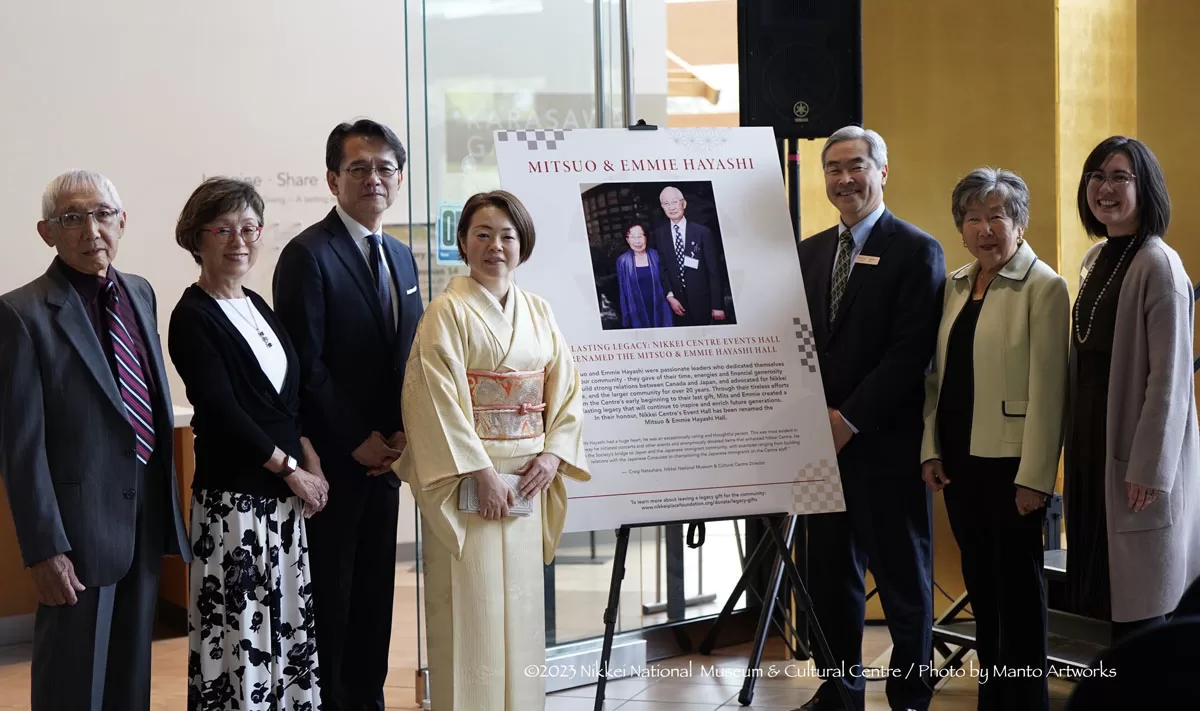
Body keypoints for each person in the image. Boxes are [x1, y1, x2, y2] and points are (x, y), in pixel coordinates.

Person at [0, 170, 190, 711]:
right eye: (71, 218)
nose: (91, 229)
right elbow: (20, 447)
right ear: (47, 232)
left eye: (103, 213)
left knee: (131, 681)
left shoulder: (140, 292)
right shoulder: (21, 313)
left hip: (144, 523)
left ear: (122, 221)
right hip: (76, 536)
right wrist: (44, 550)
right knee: (72, 686)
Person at [395, 190, 589, 710]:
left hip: (528, 475)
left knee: (522, 609)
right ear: (463, 242)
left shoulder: (539, 310)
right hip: (469, 478)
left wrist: (552, 455)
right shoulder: (446, 312)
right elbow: (433, 400)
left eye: (507, 235)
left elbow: (566, 389)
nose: (495, 246)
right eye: (482, 234)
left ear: (522, 244)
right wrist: (479, 473)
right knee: (472, 607)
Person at [272, 118, 424, 711]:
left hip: (388, 461)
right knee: (330, 602)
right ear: (333, 179)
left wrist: (404, 429)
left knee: (374, 602)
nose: (373, 178)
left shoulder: (402, 258)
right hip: (333, 465)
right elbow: (305, 364)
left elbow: (408, 355)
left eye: (385, 167)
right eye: (357, 167)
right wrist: (355, 437)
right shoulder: (307, 254)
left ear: (400, 178)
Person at [793, 126, 945, 711]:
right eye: (833, 168)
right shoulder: (807, 253)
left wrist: (849, 418)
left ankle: (910, 694)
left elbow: (911, 352)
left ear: (883, 172)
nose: (844, 178)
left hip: (884, 446)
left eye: (856, 166)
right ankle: (841, 689)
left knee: (903, 579)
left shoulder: (916, 248)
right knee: (831, 577)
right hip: (819, 450)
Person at [168, 178, 329, 710]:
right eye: (224, 229)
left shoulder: (257, 303)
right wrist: (290, 469)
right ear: (198, 237)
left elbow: (284, 401)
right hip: (235, 506)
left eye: (250, 227)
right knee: (242, 638)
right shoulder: (191, 315)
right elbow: (223, 412)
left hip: (282, 503)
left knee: (284, 633)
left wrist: (311, 461)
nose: (239, 240)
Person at [921, 168, 1068, 711]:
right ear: (960, 227)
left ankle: (1025, 702)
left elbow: (1051, 393)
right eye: (973, 218)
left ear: (1020, 224)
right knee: (982, 587)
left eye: (997, 217)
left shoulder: (1044, 287)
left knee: (1020, 594)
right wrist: (930, 449)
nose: (985, 229)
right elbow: (936, 377)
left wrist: (1036, 480)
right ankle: (994, 697)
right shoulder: (956, 285)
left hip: (1012, 468)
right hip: (960, 461)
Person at [1063, 135, 1200, 643]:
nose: (1105, 188)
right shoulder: (1096, 257)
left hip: (1136, 453)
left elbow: (1170, 381)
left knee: (1142, 604)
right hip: (1093, 444)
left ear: (1147, 188)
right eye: (1096, 176)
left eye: (1120, 177)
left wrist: (1149, 468)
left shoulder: (1159, 266)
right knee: (1107, 599)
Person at [653, 185, 726, 326]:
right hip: (677, 305)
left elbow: (714, 271)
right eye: (666, 204)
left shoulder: (703, 233)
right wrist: (670, 297)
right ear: (662, 207)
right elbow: (662, 268)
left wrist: (717, 306)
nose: (671, 207)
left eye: (674, 202)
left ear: (683, 203)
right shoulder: (660, 234)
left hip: (704, 302)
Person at [615, 222, 674, 328]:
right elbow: (622, 291)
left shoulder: (657, 256)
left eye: (640, 236)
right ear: (627, 240)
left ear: (646, 237)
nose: (637, 241)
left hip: (660, 305)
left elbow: (668, 281)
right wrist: (626, 316)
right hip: (636, 309)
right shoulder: (622, 261)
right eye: (632, 237)